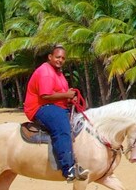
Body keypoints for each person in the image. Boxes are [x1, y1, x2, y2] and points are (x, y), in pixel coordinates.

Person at [23, 45, 88, 182]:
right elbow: (45, 95)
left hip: (54, 105)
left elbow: (60, 92)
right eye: (58, 57)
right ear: (50, 57)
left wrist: (70, 97)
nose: (60, 60)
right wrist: (66, 95)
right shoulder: (46, 72)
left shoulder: (58, 72)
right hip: (40, 107)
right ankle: (68, 168)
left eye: (63, 58)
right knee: (62, 128)